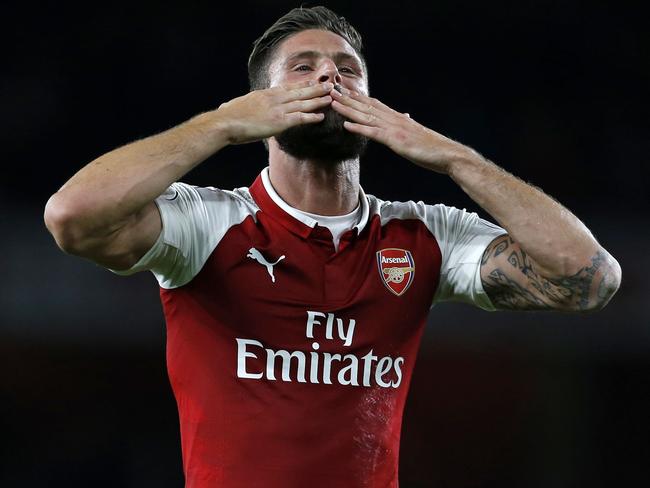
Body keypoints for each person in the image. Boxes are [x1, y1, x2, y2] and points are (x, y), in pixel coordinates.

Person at [44, 5, 621, 487]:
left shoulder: (423, 236)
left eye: (348, 69)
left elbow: (589, 278)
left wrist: (453, 157)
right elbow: (74, 217)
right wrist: (219, 124)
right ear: (259, 105)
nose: (330, 78)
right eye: (303, 68)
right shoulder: (208, 224)